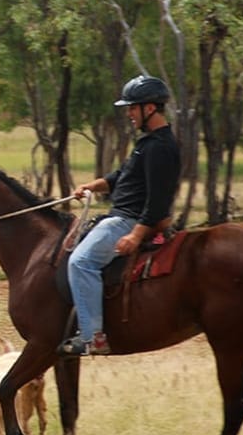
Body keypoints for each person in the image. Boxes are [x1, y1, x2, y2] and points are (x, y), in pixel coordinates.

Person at [58, 75, 181, 356]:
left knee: (80, 262)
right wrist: (93, 185)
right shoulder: (148, 143)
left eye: (132, 107)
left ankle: (93, 337)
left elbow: (158, 200)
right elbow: (120, 177)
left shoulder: (160, 148)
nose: (129, 113)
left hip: (125, 220)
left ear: (149, 108)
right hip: (121, 215)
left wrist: (136, 234)